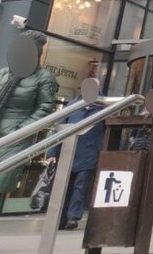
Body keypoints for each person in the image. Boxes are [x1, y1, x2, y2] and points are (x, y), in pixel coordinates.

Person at [0, 30, 59, 249]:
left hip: (14, 139)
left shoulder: (44, 78)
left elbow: (45, 108)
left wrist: (20, 130)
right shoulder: (1, 74)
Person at [47, 98, 105, 229]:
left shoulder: (102, 107)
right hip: (67, 152)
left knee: (80, 186)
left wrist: (100, 153)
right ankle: (60, 217)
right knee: (64, 186)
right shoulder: (73, 105)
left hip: (89, 154)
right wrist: (52, 152)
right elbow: (58, 130)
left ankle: (72, 217)